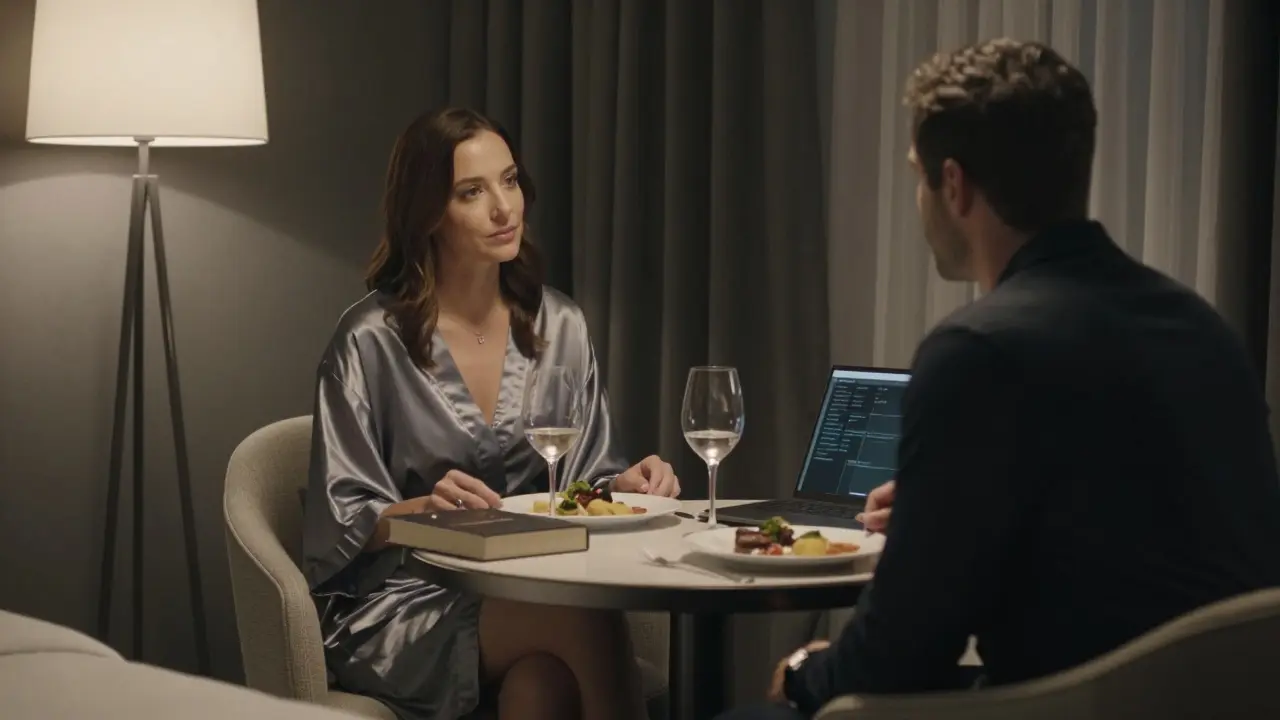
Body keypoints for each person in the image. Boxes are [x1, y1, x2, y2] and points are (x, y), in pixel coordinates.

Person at [718, 38, 1280, 719]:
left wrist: (804, 670)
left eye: (919, 177)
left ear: (953, 185)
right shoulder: (1202, 330)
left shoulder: (978, 352)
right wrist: (945, 516)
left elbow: (899, 656)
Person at [302, 107, 681, 720]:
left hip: (526, 585)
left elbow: (580, 479)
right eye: (471, 192)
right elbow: (336, 520)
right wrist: (416, 509)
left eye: (509, 181)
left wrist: (621, 485)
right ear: (427, 213)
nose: (504, 209)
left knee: (542, 687)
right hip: (403, 603)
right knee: (582, 615)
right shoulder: (368, 340)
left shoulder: (559, 323)